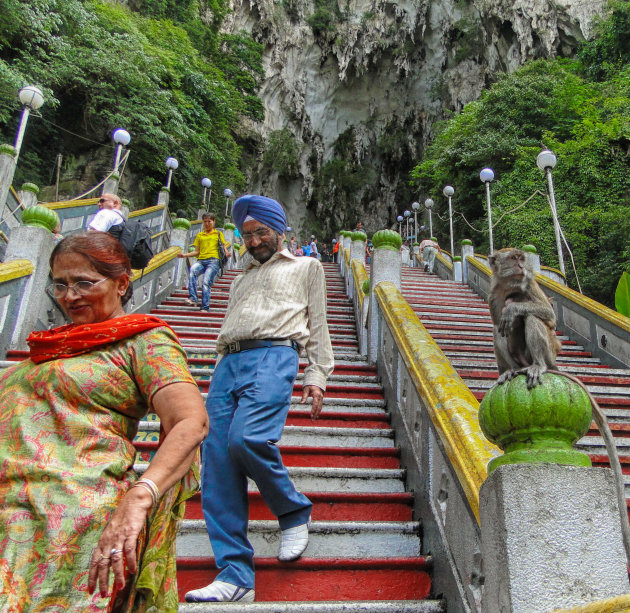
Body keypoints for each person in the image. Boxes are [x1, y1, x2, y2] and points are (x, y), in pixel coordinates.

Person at [0, 232, 208, 612]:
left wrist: (139, 498)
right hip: (9, 508)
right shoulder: (46, 349)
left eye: (84, 282)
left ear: (123, 283)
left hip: (73, 522)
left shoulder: (144, 340)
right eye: (59, 285)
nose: (69, 296)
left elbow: (191, 422)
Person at [185, 195, 334, 604]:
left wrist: (317, 375)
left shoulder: (307, 266)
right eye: (246, 235)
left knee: (246, 439)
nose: (253, 241)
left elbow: (318, 325)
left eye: (261, 232)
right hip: (228, 362)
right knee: (215, 461)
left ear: (280, 230)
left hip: (276, 353)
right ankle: (234, 574)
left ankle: (292, 510)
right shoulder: (239, 278)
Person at [178, 213, 231, 311]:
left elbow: (223, 247)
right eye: (205, 221)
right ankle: (193, 297)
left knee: (206, 282)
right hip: (201, 260)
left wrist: (227, 253)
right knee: (192, 271)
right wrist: (184, 255)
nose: (207, 223)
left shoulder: (218, 234)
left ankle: (205, 306)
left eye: (209, 221)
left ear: (214, 222)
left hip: (214, 261)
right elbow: (196, 251)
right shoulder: (200, 235)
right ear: (203, 222)